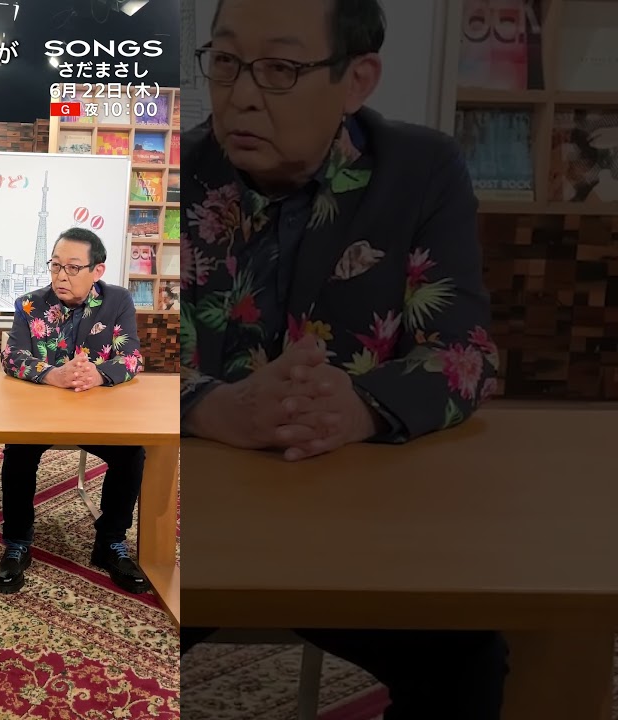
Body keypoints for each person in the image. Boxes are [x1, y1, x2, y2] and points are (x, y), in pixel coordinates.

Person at [180, 0, 507, 717]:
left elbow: (465, 354)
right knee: (93, 630)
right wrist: (211, 407)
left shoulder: (419, 171)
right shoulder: (171, 168)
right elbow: (108, 347)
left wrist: (360, 407)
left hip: (356, 522)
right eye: (226, 62)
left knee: (469, 658)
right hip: (190, 520)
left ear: (356, 80)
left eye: (279, 68)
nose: (241, 95)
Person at [0, 228, 149, 595]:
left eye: (73, 267)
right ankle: (17, 542)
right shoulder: (29, 304)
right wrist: (53, 375)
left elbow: (131, 357)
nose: (61, 276)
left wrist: (99, 373)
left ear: (98, 270)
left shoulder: (118, 301)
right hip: (40, 416)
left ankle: (110, 541)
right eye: (55, 266)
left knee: (132, 454)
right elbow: (12, 357)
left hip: (96, 417)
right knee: (17, 453)